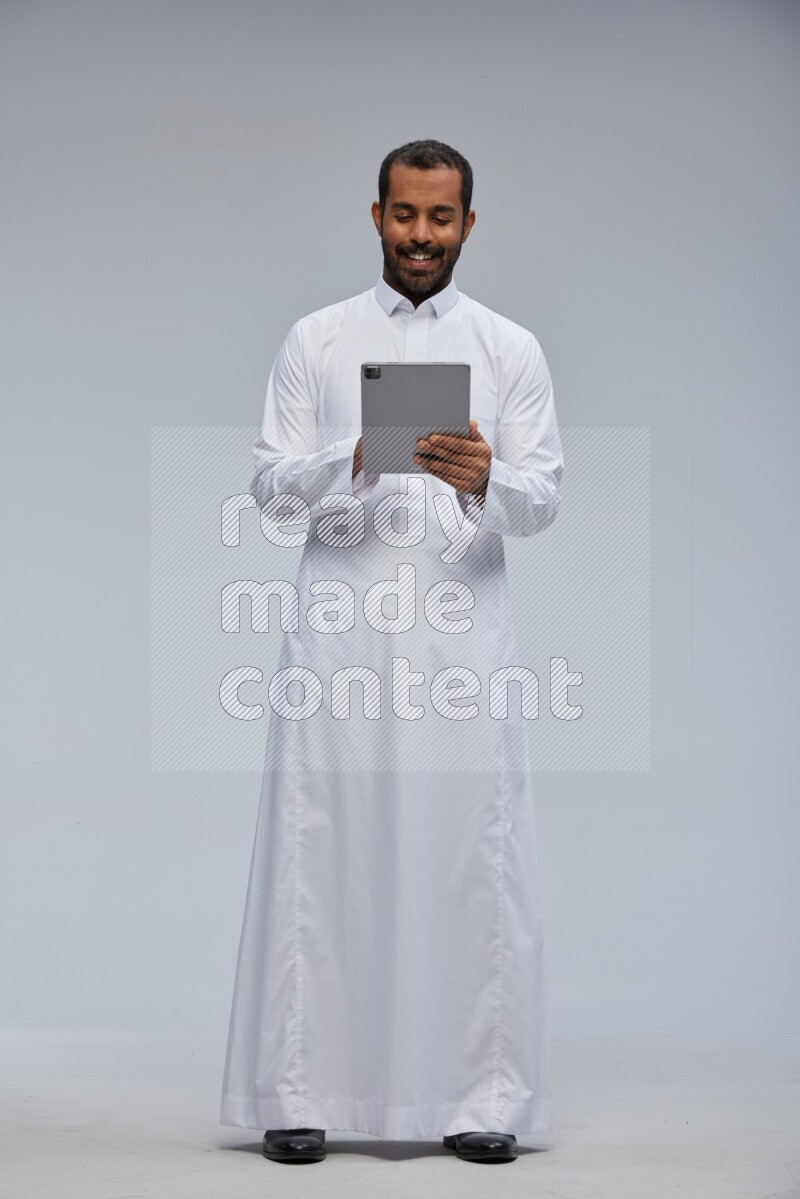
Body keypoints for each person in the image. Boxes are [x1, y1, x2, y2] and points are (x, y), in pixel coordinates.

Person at [220, 139, 564, 1165]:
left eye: (440, 217)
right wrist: (354, 454)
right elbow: (270, 489)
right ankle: (299, 1090)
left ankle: (480, 1097)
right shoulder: (315, 341)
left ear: (468, 224)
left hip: (462, 639)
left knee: (472, 855)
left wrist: (481, 475)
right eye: (404, 215)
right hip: (339, 635)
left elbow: (542, 498)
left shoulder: (511, 348)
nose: (421, 235)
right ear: (375, 216)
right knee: (319, 848)